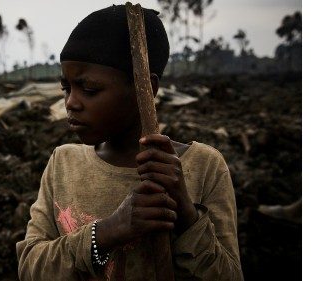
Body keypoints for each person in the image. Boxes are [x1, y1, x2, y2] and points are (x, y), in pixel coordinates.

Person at [16, 5, 243, 280]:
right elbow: (30, 268)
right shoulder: (62, 163)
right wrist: (107, 232)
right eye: (66, 87)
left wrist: (185, 214)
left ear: (145, 88)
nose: (71, 103)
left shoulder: (202, 167)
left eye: (89, 89)